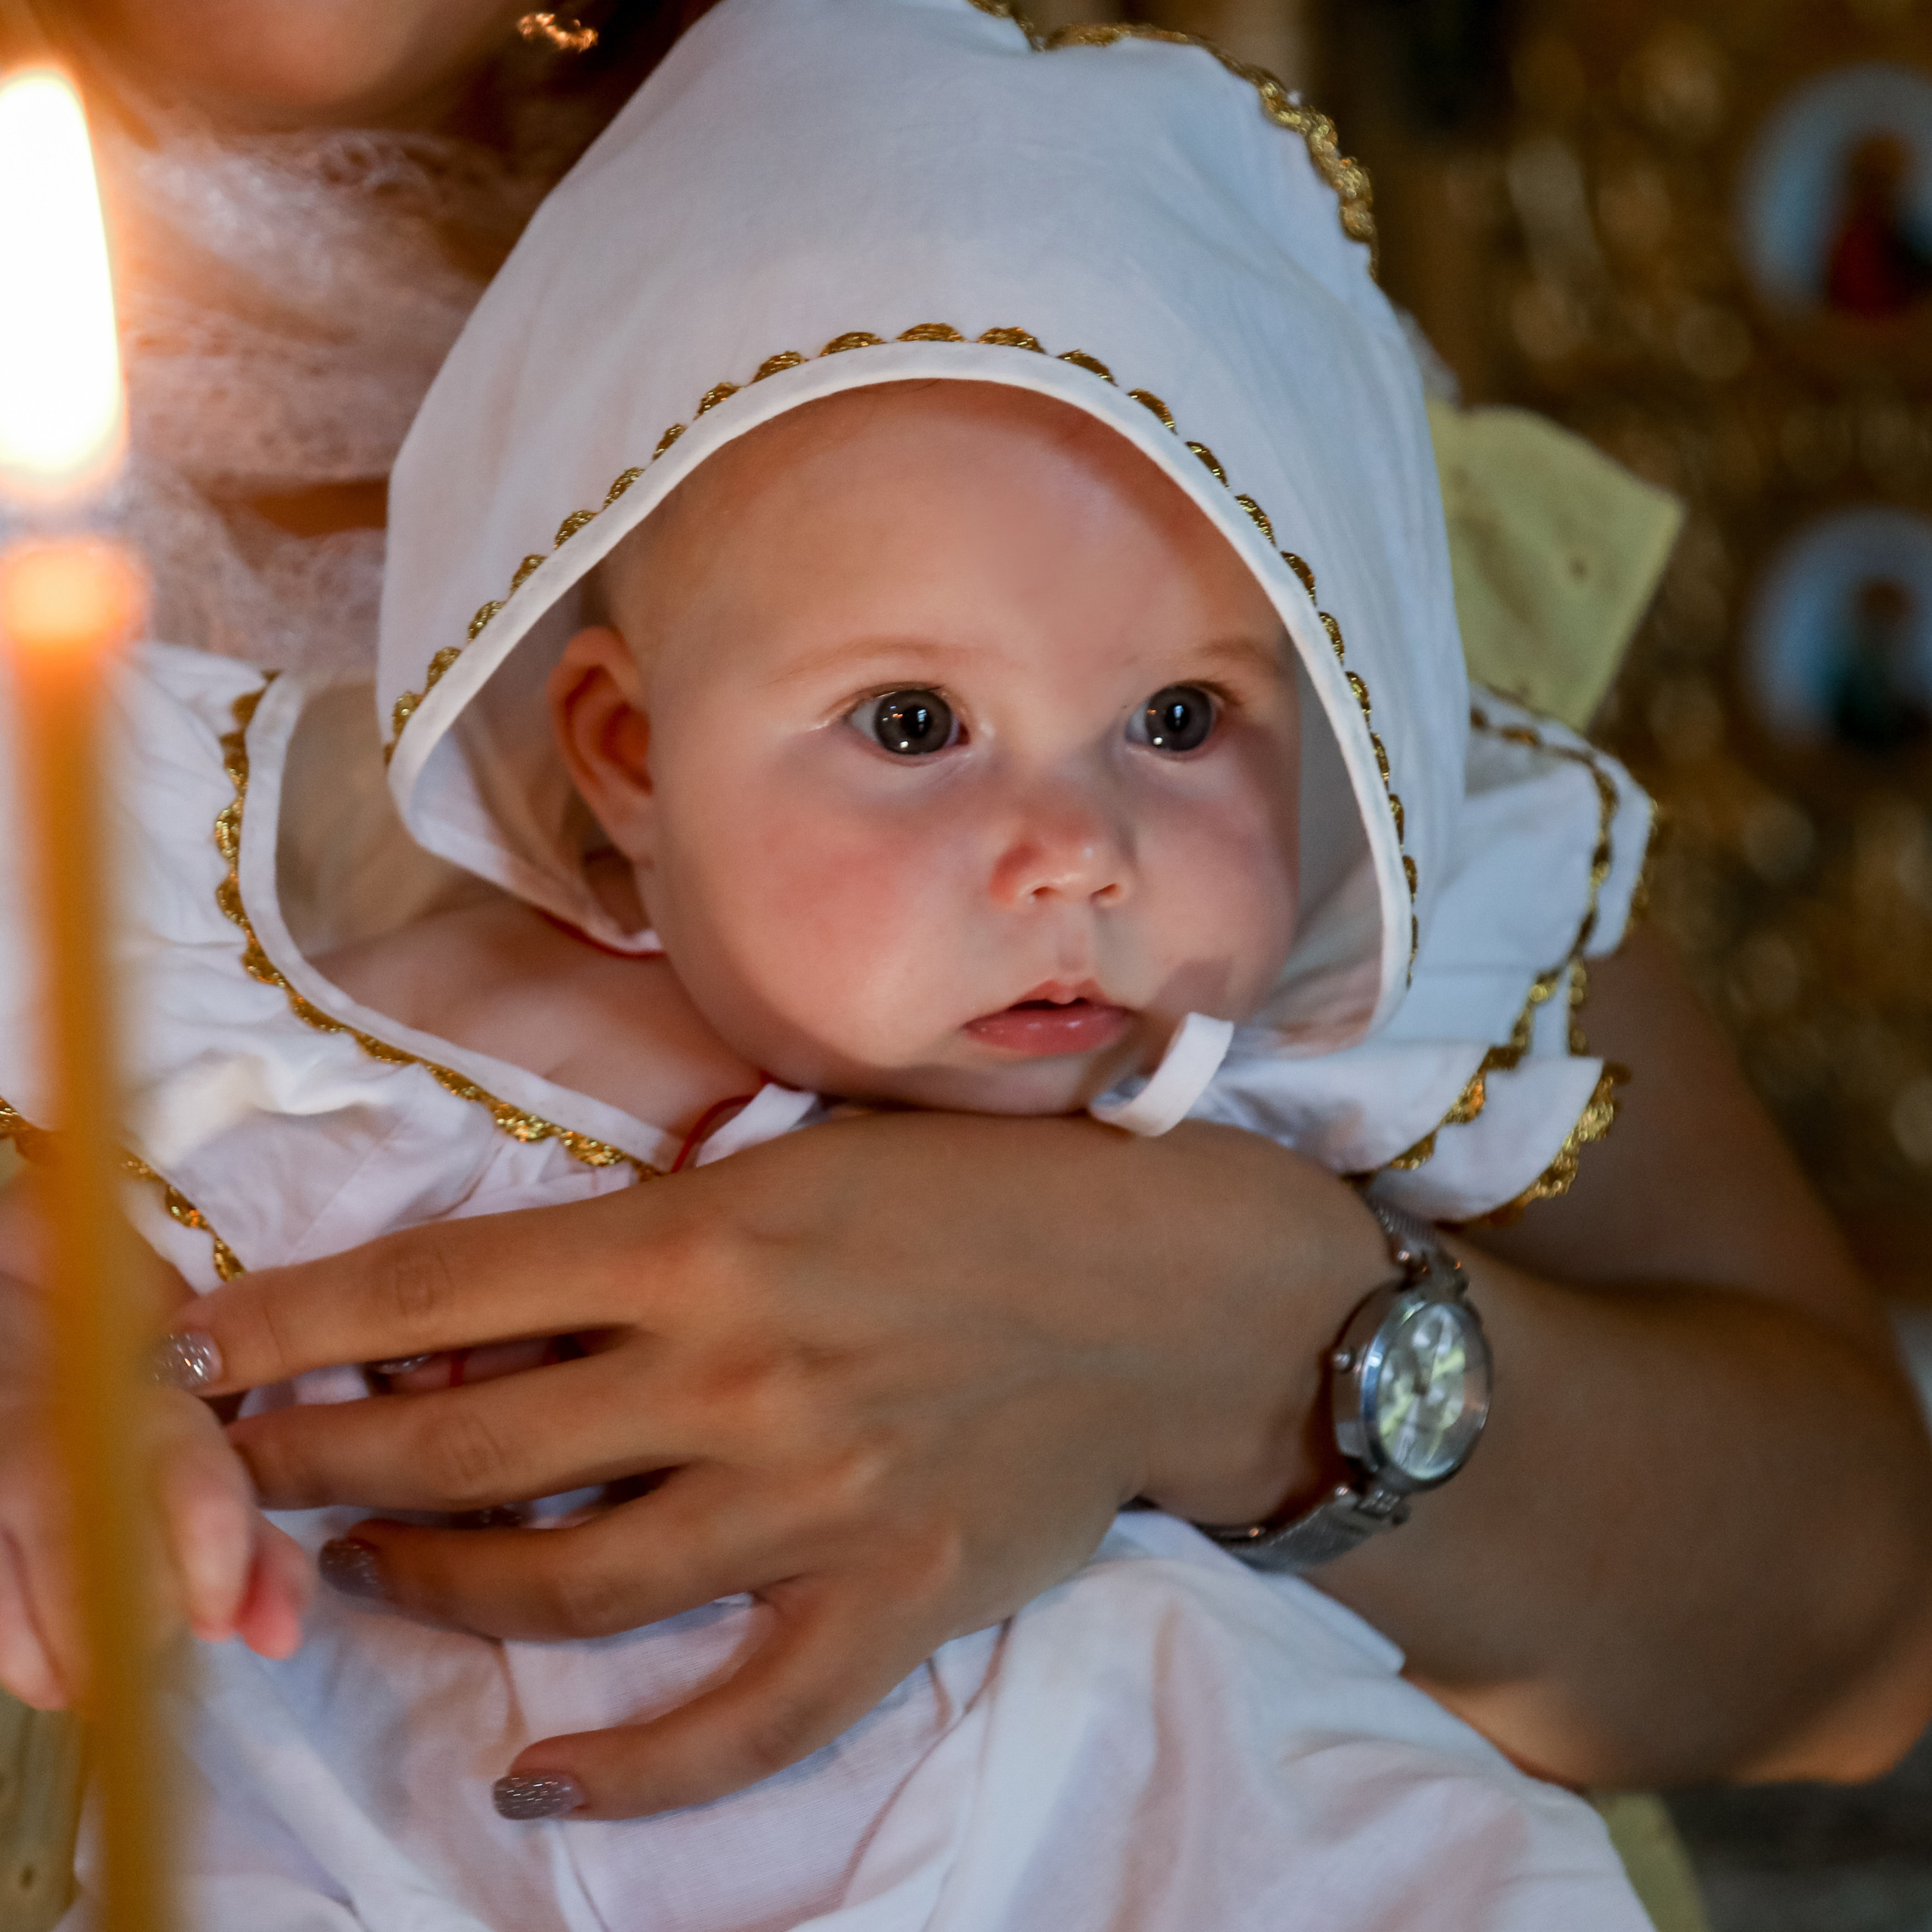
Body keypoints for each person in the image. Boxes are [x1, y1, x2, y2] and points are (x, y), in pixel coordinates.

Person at [7, 0, 1932, 1850]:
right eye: (910, 724)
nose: (1070, 855)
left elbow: (1851, 1625)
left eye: (1178, 721)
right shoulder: (204, 862)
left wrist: (1241, 1339)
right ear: (614, 756)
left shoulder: (1140, 276)